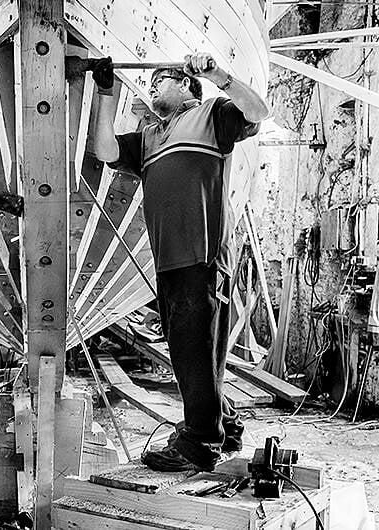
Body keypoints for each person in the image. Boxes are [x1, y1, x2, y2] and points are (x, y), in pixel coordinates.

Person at [90, 53, 269, 472]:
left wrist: (218, 74)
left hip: (202, 256)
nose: (152, 87)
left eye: (162, 79)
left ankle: (201, 442)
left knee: (194, 348)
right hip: (169, 260)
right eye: (149, 83)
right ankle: (223, 423)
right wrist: (104, 92)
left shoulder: (212, 115)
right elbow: (104, 149)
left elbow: (259, 111)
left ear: (188, 85)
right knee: (191, 351)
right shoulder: (150, 136)